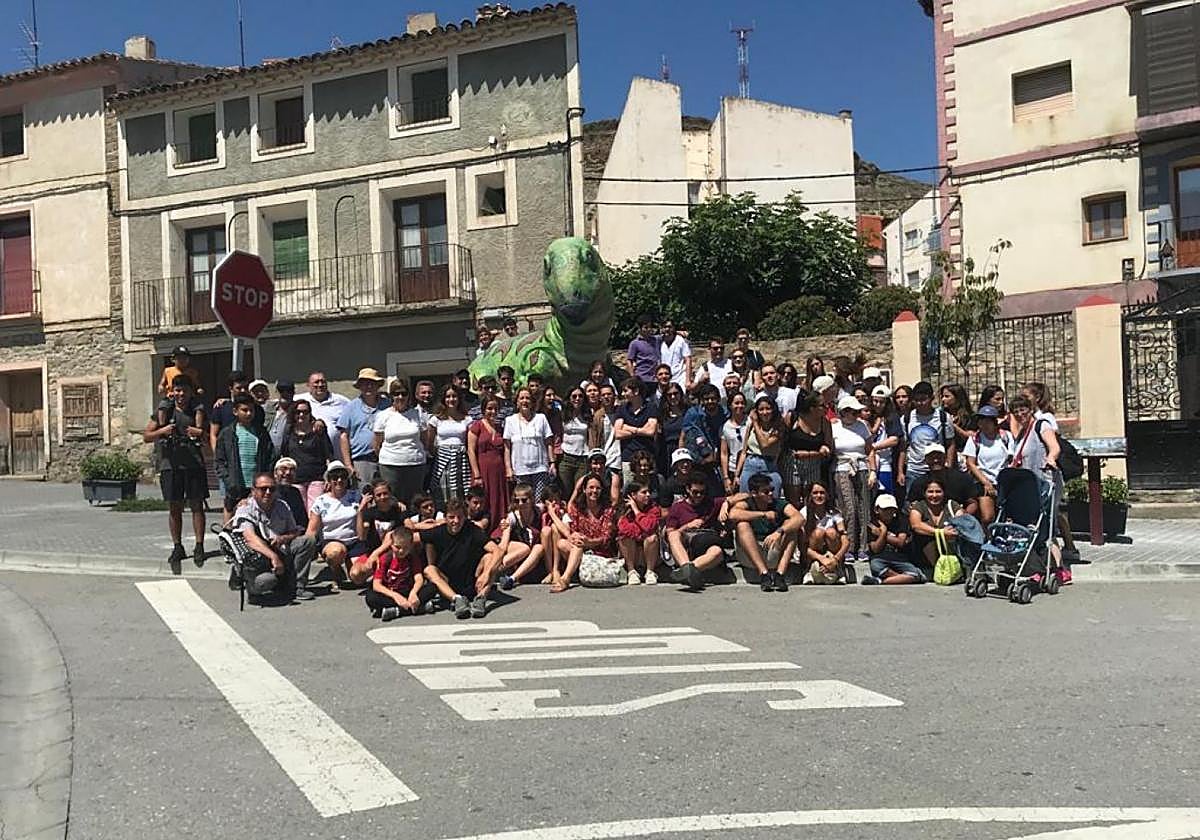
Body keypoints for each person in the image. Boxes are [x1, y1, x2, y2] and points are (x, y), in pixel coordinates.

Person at [144, 375, 209, 574]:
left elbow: (208, 437)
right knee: (175, 507)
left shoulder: (197, 410)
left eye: (184, 390)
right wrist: (162, 431)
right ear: (173, 391)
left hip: (194, 464)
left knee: (197, 504)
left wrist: (200, 434)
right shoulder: (164, 410)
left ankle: (199, 546)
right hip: (170, 465)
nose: (180, 394)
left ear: (190, 391)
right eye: (177, 390)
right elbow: (147, 436)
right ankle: (178, 546)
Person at [230, 471, 319, 601]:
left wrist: (283, 538)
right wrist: (274, 557)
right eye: (263, 489)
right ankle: (249, 583)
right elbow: (250, 539)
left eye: (271, 489)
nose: (267, 492)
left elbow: (295, 531)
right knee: (267, 581)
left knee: (307, 541)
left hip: (280, 549)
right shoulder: (245, 508)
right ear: (253, 491)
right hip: (257, 558)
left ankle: (297, 587)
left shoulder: (282, 506)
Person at [1021, 381, 1079, 568]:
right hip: (1030, 482)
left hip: (1045, 480)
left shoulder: (1044, 420)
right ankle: (1043, 563)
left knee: (1048, 525)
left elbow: (1053, 443)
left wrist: (1051, 458)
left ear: (1036, 398)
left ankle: (1058, 567)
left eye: (1026, 397)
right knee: (1042, 523)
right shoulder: (1025, 424)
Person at [422, 498, 501, 619]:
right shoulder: (438, 531)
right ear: (445, 518)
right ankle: (457, 600)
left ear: (465, 516)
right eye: (451, 517)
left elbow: (498, 551)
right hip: (448, 584)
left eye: (460, 517)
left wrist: (487, 573)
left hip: (474, 582)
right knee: (429, 570)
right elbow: (407, 537)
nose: (456, 521)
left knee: (490, 556)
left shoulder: (472, 530)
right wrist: (383, 548)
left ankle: (481, 598)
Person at [730, 472, 804, 592]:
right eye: (766, 491)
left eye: (772, 490)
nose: (770, 494)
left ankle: (780, 575)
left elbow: (799, 518)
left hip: (772, 549)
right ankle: (764, 575)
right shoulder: (747, 503)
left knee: (792, 528)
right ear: (754, 493)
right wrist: (763, 514)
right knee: (742, 524)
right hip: (750, 554)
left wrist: (779, 531)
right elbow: (733, 514)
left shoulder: (778, 503)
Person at [665, 473, 731, 590]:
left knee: (717, 551)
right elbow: (669, 532)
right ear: (687, 489)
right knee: (674, 534)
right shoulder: (677, 507)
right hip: (686, 545)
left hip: (705, 542)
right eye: (695, 492)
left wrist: (726, 503)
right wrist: (687, 526)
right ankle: (686, 566)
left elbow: (743, 495)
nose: (699, 495)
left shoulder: (711, 503)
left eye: (702, 492)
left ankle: (688, 570)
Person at [214, 394, 275, 521]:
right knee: (231, 512)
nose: (248, 414)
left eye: (251, 410)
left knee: (256, 516)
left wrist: (266, 478)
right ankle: (228, 537)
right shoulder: (227, 433)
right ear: (235, 411)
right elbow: (219, 461)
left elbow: (270, 456)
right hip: (235, 484)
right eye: (244, 410)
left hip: (256, 484)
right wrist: (229, 481)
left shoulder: (261, 432)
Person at [306, 460, 366, 590]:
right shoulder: (321, 501)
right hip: (332, 542)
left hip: (354, 541)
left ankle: (352, 570)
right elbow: (311, 530)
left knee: (358, 576)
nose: (339, 480)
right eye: (334, 477)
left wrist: (396, 503)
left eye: (343, 477)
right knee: (336, 553)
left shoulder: (356, 496)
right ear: (328, 480)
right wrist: (306, 549)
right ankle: (336, 570)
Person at [832, 394, 876, 563]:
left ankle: (863, 547)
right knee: (848, 508)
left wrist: (873, 471)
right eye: (852, 411)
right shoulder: (835, 427)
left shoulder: (862, 426)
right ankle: (849, 546)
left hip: (861, 467)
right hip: (842, 468)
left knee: (863, 507)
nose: (856, 415)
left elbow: (870, 449)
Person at [555, 474, 617, 593]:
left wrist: (589, 542)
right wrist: (574, 536)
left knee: (578, 546)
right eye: (591, 487)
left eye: (598, 488)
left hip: (600, 552)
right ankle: (569, 575)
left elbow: (606, 538)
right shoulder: (577, 509)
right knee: (562, 543)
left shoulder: (608, 510)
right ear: (584, 489)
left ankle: (565, 578)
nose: (594, 491)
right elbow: (572, 530)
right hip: (581, 550)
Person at [373, 379, 427, 507]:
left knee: (416, 501)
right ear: (391, 395)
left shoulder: (418, 414)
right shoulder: (383, 415)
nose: (400, 397)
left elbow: (425, 440)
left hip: (415, 465)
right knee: (392, 501)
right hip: (390, 465)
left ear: (409, 395)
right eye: (396, 394)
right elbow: (377, 445)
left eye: (404, 393)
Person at [365, 527, 434, 621]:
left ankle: (397, 611)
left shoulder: (413, 558)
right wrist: (396, 596)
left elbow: (419, 578)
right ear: (391, 545)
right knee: (370, 597)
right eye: (397, 547)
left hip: (408, 592)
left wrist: (413, 593)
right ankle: (417, 609)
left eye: (405, 548)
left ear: (411, 546)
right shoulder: (385, 559)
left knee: (432, 587)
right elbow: (376, 585)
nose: (401, 551)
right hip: (391, 593)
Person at [897, 381, 956, 490]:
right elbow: (903, 446)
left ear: (932, 398)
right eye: (917, 400)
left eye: (923, 399)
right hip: (914, 469)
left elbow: (950, 443)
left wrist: (949, 465)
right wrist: (901, 471)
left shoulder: (943, 418)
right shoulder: (906, 419)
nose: (920, 403)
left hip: (937, 468)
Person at [963, 404, 1013, 526]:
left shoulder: (1005, 437)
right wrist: (986, 482)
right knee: (987, 517)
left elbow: (1012, 459)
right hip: (984, 481)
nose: (984, 425)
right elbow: (971, 463)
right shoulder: (975, 439)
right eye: (981, 421)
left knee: (1007, 515)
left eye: (987, 421)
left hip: (1004, 481)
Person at [280, 398, 334, 511]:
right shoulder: (289, 432)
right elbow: (285, 455)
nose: (301, 415)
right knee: (299, 512)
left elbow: (329, 454)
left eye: (305, 412)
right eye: (298, 412)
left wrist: (329, 477)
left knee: (315, 511)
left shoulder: (318, 431)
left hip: (316, 478)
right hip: (296, 479)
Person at [338, 367, 387, 487]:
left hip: (386, 459)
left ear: (378, 386)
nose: (368, 386)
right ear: (359, 386)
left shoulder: (387, 405)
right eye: (365, 384)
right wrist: (348, 465)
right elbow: (344, 436)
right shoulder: (351, 407)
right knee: (365, 496)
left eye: (372, 383)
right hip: (362, 460)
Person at [504, 386, 554, 501]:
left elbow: (549, 442)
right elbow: (507, 447)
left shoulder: (541, 418)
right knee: (523, 501)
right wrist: (508, 468)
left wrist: (552, 463)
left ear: (532, 402)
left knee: (539, 501)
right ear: (517, 402)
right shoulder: (510, 420)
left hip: (540, 468)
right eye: (521, 398)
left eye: (527, 398)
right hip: (520, 469)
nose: (524, 401)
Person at [468, 395, 509, 534]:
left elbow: (505, 450)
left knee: (498, 499)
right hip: (482, 469)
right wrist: (477, 474)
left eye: (495, 408)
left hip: (498, 471)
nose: (493, 411)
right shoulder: (477, 426)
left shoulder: (500, 427)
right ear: (483, 410)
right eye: (489, 408)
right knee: (483, 500)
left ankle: (498, 531)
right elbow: (471, 450)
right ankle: (483, 531)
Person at [860, 493, 922, 585]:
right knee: (876, 566)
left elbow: (900, 542)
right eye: (885, 509)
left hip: (900, 558)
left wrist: (882, 535)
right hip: (880, 558)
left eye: (891, 509)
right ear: (877, 509)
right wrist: (884, 533)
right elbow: (875, 549)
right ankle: (904, 578)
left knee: (915, 573)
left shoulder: (902, 520)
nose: (889, 512)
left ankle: (880, 581)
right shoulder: (872, 524)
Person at [494, 484, 546, 589]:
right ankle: (493, 570)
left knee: (539, 548)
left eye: (524, 500)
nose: (520, 504)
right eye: (517, 501)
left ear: (531, 499)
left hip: (533, 555)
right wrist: (496, 559)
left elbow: (551, 504)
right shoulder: (512, 517)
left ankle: (512, 579)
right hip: (518, 552)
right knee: (525, 548)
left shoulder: (539, 510)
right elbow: (504, 543)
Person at [426, 384, 470, 508]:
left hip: (461, 459)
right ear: (443, 399)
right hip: (442, 460)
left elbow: (469, 442)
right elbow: (429, 443)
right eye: (448, 396)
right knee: (442, 493)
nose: (451, 399)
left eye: (454, 396)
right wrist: (440, 453)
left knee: (460, 494)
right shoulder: (436, 419)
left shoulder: (466, 419)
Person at [786, 392, 833, 507]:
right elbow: (782, 439)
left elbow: (829, 447)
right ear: (812, 408)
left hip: (814, 463)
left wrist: (823, 449)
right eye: (823, 405)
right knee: (794, 500)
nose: (826, 408)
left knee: (811, 498)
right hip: (792, 463)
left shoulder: (824, 423)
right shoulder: (793, 418)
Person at [681, 384, 727, 496]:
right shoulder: (693, 413)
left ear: (718, 399)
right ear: (701, 400)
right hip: (698, 459)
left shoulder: (724, 413)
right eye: (706, 399)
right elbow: (683, 435)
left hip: (718, 459)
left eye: (713, 398)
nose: (710, 401)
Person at [735, 395, 785, 496]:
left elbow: (764, 444)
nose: (764, 412)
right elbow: (744, 451)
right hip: (750, 463)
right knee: (746, 498)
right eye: (761, 409)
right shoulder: (751, 427)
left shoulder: (779, 427)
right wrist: (737, 474)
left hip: (769, 466)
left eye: (768, 409)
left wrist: (755, 423)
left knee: (772, 498)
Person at [905, 443, 978, 513]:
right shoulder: (919, 483)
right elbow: (910, 504)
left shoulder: (962, 479)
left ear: (945, 458)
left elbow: (972, 503)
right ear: (926, 460)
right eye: (932, 458)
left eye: (939, 457)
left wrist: (963, 517)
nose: (935, 460)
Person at [800, 480, 849, 585]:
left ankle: (839, 570)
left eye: (822, 493)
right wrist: (821, 559)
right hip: (812, 553)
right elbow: (802, 546)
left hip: (832, 552)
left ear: (827, 495)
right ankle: (808, 570)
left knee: (831, 532)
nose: (819, 496)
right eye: (815, 493)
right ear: (810, 496)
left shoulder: (835, 513)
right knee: (818, 533)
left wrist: (836, 559)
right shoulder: (804, 513)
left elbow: (845, 540)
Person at [908, 476, 961, 569]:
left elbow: (962, 524)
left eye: (938, 491)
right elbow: (916, 525)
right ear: (924, 493)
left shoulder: (952, 506)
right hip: (924, 564)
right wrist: (940, 532)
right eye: (930, 492)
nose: (934, 495)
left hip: (951, 564)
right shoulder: (919, 506)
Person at [614, 378, 659, 486]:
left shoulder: (650, 407)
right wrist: (640, 429)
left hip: (647, 457)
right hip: (628, 457)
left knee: (648, 488)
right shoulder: (622, 409)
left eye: (625, 391)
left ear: (636, 391)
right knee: (629, 489)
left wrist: (628, 427)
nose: (622, 394)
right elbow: (617, 433)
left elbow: (651, 431)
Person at [617, 480, 662, 585]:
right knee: (624, 538)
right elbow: (625, 530)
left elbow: (650, 527)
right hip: (631, 553)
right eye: (644, 492)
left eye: (648, 492)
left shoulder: (654, 509)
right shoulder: (623, 511)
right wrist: (642, 531)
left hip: (649, 553)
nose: (648, 495)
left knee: (652, 538)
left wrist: (636, 511)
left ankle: (650, 572)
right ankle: (631, 571)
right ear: (633, 495)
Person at [297, 371, 349, 451]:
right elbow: (282, 402)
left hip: (335, 456)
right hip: (309, 455)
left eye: (323, 382)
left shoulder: (341, 401)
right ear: (308, 385)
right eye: (316, 382)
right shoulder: (300, 400)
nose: (320, 385)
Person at [868, 385, 903, 495]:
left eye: (881, 402)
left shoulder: (892, 417)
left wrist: (874, 447)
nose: (877, 405)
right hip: (867, 462)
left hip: (885, 462)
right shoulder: (867, 415)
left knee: (885, 495)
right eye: (875, 401)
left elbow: (894, 439)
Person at [358, 478, 407, 556]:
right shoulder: (369, 513)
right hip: (372, 552)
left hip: (394, 553)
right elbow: (361, 537)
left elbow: (409, 528)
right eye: (378, 495)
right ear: (373, 497)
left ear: (390, 494)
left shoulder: (398, 510)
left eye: (385, 493)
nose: (382, 497)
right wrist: (360, 511)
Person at [557, 387, 591, 495]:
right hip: (566, 458)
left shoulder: (587, 415)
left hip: (582, 458)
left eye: (580, 396)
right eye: (574, 396)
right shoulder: (562, 414)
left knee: (579, 491)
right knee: (565, 490)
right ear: (569, 398)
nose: (577, 399)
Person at [720, 391, 750, 494]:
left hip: (749, 465)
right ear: (730, 405)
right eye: (736, 403)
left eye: (742, 403)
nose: (740, 406)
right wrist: (726, 477)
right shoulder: (726, 427)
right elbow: (724, 453)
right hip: (733, 467)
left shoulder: (750, 422)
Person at [940, 383, 975, 468]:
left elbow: (971, 436)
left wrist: (953, 426)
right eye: (942, 396)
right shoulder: (940, 415)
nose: (943, 399)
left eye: (947, 396)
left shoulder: (969, 417)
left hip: (962, 456)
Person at [625, 313, 661, 385]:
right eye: (646, 327)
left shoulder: (656, 340)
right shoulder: (635, 343)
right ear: (640, 328)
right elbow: (629, 360)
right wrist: (632, 376)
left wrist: (679, 332)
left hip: (655, 378)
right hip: (642, 378)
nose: (649, 330)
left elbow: (667, 335)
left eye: (650, 327)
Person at [658, 317, 692, 389]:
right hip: (665, 378)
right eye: (665, 327)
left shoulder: (681, 340)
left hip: (680, 377)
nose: (667, 329)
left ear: (673, 328)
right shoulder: (659, 341)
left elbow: (688, 359)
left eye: (669, 327)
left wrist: (688, 379)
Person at [272, 457, 307, 525]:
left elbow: (302, 519)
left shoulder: (295, 492)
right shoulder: (269, 491)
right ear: (275, 473)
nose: (288, 473)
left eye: (292, 470)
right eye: (283, 469)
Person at [268, 380, 295, 452]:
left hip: (287, 455)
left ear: (293, 393)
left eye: (289, 391)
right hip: (268, 454)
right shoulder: (268, 408)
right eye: (281, 390)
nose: (285, 393)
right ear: (276, 392)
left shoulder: (298, 411)